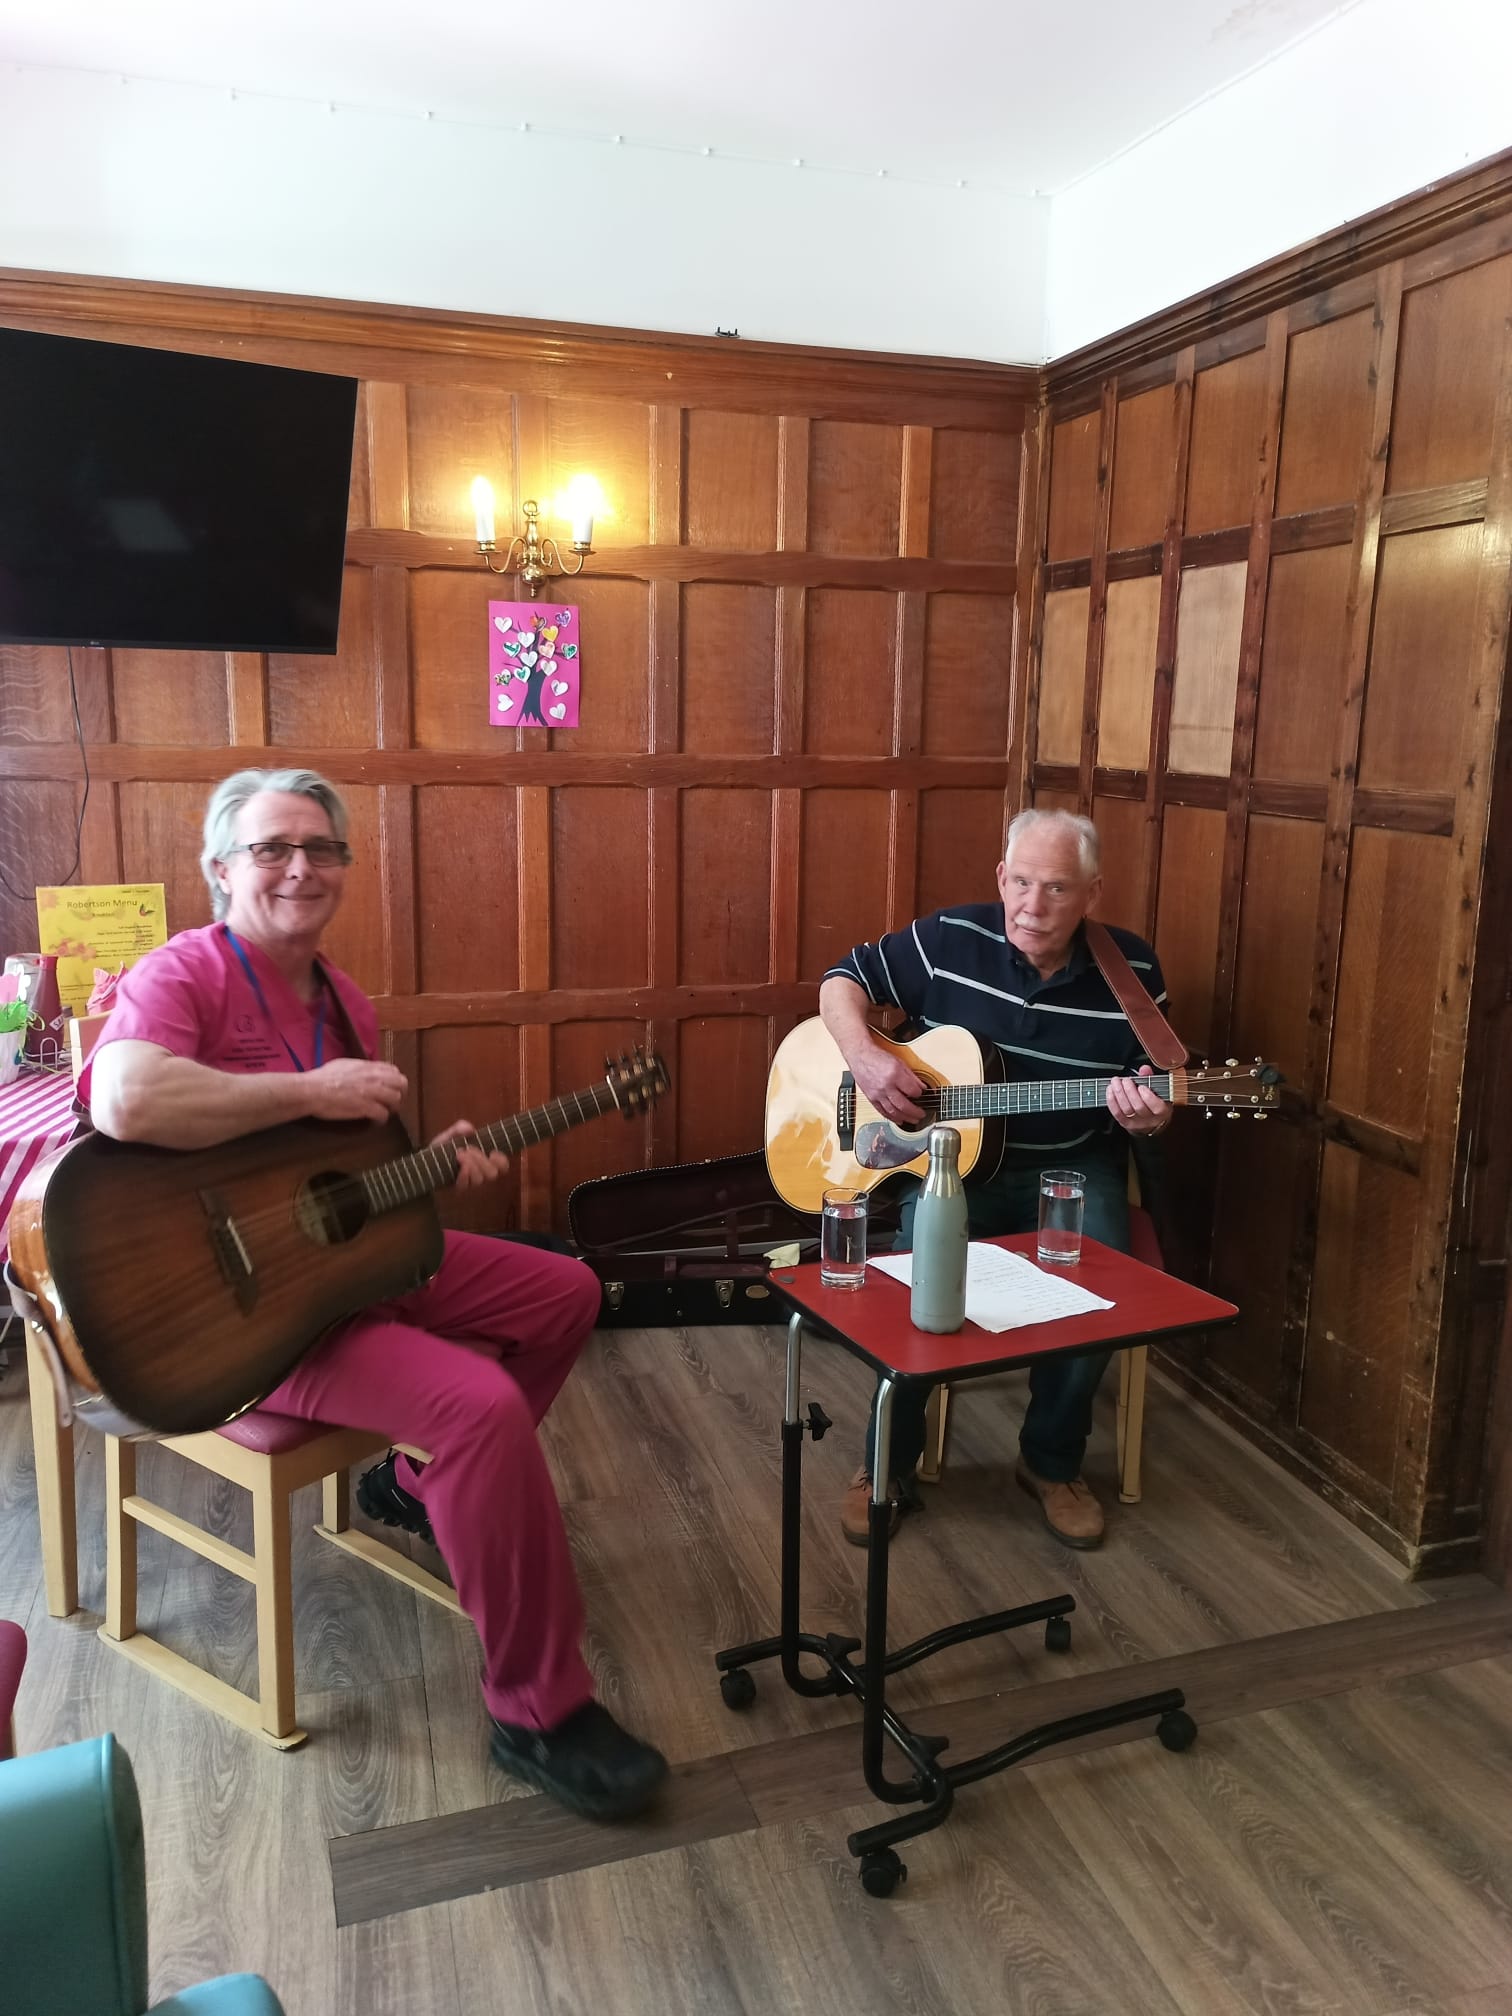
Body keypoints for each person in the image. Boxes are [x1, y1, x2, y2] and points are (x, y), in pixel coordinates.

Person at [82, 767, 667, 1821]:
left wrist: (430, 1161)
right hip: (253, 1325)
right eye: (273, 847)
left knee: (567, 1292)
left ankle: (411, 1482)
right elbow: (125, 1097)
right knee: (479, 1408)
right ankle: (536, 1710)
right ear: (222, 869)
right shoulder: (184, 975)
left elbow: (343, 1173)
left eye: (323, 848)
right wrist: (309, 1091)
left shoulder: (343, 1000)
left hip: (352, 1274)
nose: (301, 866)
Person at [819, 808, 1173, 1552]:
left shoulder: (1132, 972)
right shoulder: (949, 939)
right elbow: (840, 981)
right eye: (1019, 882)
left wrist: (1150, 1115)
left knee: (1105, 1289)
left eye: (1055, 888)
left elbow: (1155, 1088)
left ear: (1092, 893)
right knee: (911, 1282)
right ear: (999, 877)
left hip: (1071, 1163)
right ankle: (886, 1465)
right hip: (952, 1164)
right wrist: (864, 1057)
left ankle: (1050, 1463)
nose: (1031, 906)